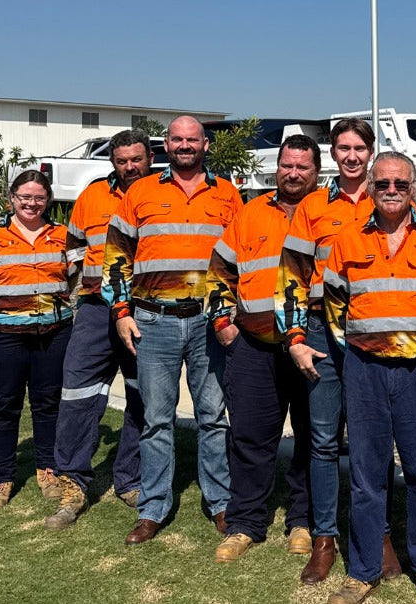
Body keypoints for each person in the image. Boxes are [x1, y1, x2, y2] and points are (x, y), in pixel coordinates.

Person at [322, 152, 416, 604]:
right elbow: (332, 306)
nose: (390, 190)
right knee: (366, 476)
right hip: (364, 371)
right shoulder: (347, 239)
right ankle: (362, 571)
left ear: (413, 187)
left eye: (400, 184)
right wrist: (364, 350)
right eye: (382, 182)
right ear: (369, 185)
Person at [102, 115, 243, 545]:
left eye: (192, 139)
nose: (185, 146)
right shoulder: (140, 192)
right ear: (167, 144)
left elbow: (242, 255)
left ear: (205, 144)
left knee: (213, 418)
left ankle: (220, 503)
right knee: (156, 420)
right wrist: (121, 311)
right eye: (177, 139)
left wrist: (233, 313)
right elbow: (116, 256)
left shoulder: (227, 193)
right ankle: (154, 507)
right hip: (153, 322)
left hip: (208, 322)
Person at [280, 118, 401, 584]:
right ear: (333, 154)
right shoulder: (312, 206)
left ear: (371, 151)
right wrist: (295, 339)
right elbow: (289, 277)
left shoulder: (390, 196)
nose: (351, 156)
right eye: (343, 148)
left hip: (375, 332)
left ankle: (381, 534)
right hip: (320, 333)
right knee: (324, 439)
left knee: (374, 441)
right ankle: (325, 537)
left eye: (359, 148)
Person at [206, 135, 320, 563]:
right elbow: (219, 271)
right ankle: (245, 523)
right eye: (286, 165)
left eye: (302, 167)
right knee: (251, 438)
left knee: (313, 437)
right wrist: (223, 325)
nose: (293, 173)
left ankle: (303, 521)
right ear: (277, 167)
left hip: (312, 346)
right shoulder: (251, 212)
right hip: (254, 346)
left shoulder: (328, 214)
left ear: (316, 172)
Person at [44, 129, 152, 530]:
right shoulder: (92, 196)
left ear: (149, 157)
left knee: (144, 394)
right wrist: (79, 282)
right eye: (121, 160)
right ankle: (72, 480)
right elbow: (72, 245)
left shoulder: (163, 194)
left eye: (135, 159)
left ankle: (130, 478)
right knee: (77, 391)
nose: (128, 167)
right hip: (94, 308)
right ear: (113, 161)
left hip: (143, 311)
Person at [0, 170, 77, 509]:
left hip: (52, 335)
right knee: (3, 406)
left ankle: (47, 468)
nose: (32, 203)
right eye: (25, 197)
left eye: (39, 197)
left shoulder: (63, 236)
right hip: (2, 336)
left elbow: (74, 277)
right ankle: (1, 478)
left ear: (48, 201)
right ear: (12, 198)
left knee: (48, 403)